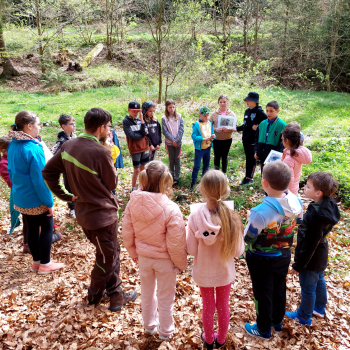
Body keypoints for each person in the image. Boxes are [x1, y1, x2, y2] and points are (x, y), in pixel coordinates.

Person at [42, 107, 137, 312]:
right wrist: (109, 152)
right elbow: (112, 183)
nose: (109, 130)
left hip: (84, 213)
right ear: (102, 128)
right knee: (107, 256)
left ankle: (116, 295)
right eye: (109, 126)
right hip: (101, 216)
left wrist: (65, 196)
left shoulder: (68, 145)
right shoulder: (101, 151)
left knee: (110, 253)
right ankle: (95, 295)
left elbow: (48, 171)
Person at [122, 160, 187, 341]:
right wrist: (180, 263)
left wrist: (134, 253)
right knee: (166, 297)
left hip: (144, 258)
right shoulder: (171, 208)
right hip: (164, 261)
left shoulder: (132, 203)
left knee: (148, 293)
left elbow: (126, 232)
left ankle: (149, 326)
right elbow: (176, 242)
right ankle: (165, 331)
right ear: (166, 181)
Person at [244, 161, 303, 339]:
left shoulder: (260, 212)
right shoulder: (296, 201)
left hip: (261, 258)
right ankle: (276, 322)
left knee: (263, 292)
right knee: (279, 288)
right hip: (284, 255)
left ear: (265, 183)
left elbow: (249, 238)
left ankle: (262, 329)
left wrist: (250, 218)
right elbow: (298, 223)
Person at [186, 170, 244, 349]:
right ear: (226, 190)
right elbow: (238, 251)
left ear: (202, 189)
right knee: (223, 305)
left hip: (204, 271)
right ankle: (221, 339)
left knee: (208, 305)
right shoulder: (231, 217)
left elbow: (191, 249)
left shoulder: (195, 217)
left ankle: (209, 339)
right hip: (224, 272)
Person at [7, 111, 64, 274]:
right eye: (38, 124)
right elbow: (40, 180)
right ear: (29, 126)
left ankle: (36, 262)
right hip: (36, 198)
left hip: (21, 197)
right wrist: (49, 202)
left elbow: (11, 172)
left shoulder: (13, 145)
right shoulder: (32, 148)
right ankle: (45, 264)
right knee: (47, 227)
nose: (39, 128)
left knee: (31, 228)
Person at [286, 172, 340, 325]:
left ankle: (304, 316)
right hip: (321, 253)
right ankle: (319, 308)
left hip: (311, 258)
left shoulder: (318, 215)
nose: (304, 187)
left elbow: (310, 243)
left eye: (308, 186)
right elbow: (316, 230)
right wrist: (302, 221)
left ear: (318, 193)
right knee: (319, 279)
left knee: (308, 288)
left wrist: (298, 265)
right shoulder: (328, 203)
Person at [236, 92, 267, 185]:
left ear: (255, 101)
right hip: (246, 139)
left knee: (252, 159)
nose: (247, 102)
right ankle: (246, 176)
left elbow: (266, 125)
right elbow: (246, 125)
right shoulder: (247, 111)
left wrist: (258, 128)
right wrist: (236, 128)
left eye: (249, 100)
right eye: (246, 100)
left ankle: (250, 178)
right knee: (248, 158)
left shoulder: (260, 112)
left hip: (253, 140)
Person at [51, 114, 77, 218]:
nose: (74, 125)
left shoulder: (75, 137)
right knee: (69, 188)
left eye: (74, 123)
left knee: (77, 187)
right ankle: (72, 208)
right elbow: (52, 154)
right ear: (63, 126)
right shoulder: (61, 141)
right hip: (67, 169)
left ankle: (78, 205)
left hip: (76, 168)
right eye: (71, 124)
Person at [123, 101, 150, 192]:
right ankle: (133, 189)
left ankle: (141, 186)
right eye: (133, 111)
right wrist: (142, 135)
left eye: (137, 111)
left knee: (143, 169)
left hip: (144, 147)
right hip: (135, 149)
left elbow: (146, 131)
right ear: (129, 110)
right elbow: (131, 136)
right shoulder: (126, 121)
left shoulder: (139, 120)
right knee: (137, 169)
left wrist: (142, 121)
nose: (136, 113)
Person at [254, 101, 286, 174]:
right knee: (264, 174)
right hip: (262, 154)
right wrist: (256, 151)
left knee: (273, 175)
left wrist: (278, 154)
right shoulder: (262, 124)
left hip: (274, 157)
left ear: (277, 111)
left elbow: (283, 143)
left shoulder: (282, 125)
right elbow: (256, 138)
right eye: (267, 111)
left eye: (271, 111)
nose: (268, 113)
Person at [281, 123, 312, 195]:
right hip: (294, 187)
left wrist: (283, 191)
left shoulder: (289, 158)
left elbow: (288, 178)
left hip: (287, 191)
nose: (282, 141)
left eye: (282, 139)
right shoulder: (297, 154)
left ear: (287, 140)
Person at [209, 95, 236, 175]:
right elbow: (208, 126)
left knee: (225, 156)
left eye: (224, 102)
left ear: (227, 102)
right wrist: (215, 129)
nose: (222, 103)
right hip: (216, 139)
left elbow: (235, 127)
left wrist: (229, 129)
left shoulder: (231, 114)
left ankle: (224, 173)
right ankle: (216, 174)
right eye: (221, 102)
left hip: (227, 139)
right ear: (218, 103)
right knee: (217, 156)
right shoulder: (214, 114)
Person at [190, 106, 215, 191]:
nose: (206, 117)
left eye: (208, 115)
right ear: (200, 115)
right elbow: (193, 136)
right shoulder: (196, 124)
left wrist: (213, 136)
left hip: (207, 148)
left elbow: (212, 132)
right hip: (199, 149)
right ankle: (193, 183)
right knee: (197, 166)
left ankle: (204, 182)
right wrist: (202, 139)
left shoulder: (209, 123)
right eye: (205, 116)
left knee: (206, 165)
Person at [161, 99, 184, 187]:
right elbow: (165, 131)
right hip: (169, 143)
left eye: (173, 107)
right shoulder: (164, 118)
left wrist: (177, 140)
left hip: (178, 143)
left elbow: (181, 129)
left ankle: (177, 178)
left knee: (177, 160)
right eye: (170, 107)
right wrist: (173, 140)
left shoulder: (179, 116)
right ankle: (171, 176)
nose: (172, 109)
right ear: (166, 108)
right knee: (171, 160)